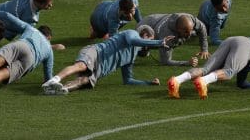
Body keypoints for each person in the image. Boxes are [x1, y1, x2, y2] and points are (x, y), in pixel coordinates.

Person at [41, 25, 173, 94]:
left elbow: (128, 80)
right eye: (149, 41)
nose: (147, 47)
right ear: (144, 35)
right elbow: (133, 41)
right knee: (82, 66)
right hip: (95, 52)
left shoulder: (132, 56)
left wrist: (148, 83)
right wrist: (159, 43)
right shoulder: (132, 33)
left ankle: (61, 89)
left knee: (84, 80)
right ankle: (53, 81)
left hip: (99, 71)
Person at [167, 34, 250, 99]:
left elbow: (241, 83)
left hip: (235, 39)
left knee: (206, 69)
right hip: (246, 46)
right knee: (229, 71)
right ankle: (203, 81)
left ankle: (177, 80)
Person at [137, 12, 209, 66]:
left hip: (155, 19)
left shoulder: (191, 19)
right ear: (178, 29)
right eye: (186, 32)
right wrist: (187, 63)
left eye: (191, 30)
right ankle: (143, 49)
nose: (189, 34)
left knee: (193, 34)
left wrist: (204, 49)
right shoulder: (167, 36)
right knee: (142, 53)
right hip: (145, 26)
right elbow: (165, 61)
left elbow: (202, 28)